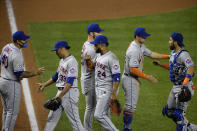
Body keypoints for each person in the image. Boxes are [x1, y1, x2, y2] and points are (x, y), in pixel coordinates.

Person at [122, 27, 169, 131]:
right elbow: (133, 69)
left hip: (131, 78)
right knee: (130, 107)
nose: (145, 38)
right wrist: (147, 77)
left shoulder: (140, 46)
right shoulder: (134, 50)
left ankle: (126, 128)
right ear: (137, 36)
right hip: (130, 79)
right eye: (143, 36)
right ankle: (126, 129)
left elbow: (152, 54)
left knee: (130, 106)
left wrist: (169, 56)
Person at [0, 30, 45, 131]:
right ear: (18, 41)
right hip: (11, 85)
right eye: (23, 39)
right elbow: (20, 74)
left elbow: (1, 61)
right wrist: (35, 73)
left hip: (2, 81)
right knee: (12, 112)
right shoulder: (17, 54)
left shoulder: (6, 47)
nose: (25, 40)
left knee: (6, 110)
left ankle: (4, 129)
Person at [153, 32, 197, 131]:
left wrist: (185, 83)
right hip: (175, 87)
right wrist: (160, 65)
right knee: (168, 111)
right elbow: (173, 69)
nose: (169, 42)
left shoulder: (184, 54)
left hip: (184, 87)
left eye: (170, 40)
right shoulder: (173, 53)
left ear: (175, 42)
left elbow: (191, 68)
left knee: (179, 116)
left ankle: (185, 127)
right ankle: (191, 128)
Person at [38, 40, 84, 131]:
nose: (56, 53)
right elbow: (56, 76)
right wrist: (44, 84)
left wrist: (59, 97)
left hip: (69, 93)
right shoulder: (62, 61)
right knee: (51, 118)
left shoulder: (72, 62)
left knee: (75, 122)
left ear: (62, 49)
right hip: (61, 93)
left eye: (56, 50)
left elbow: (69, 82)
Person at [85, 35, 120, 131]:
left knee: (98, 115)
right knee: (105, 115)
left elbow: (117, 77)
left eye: (95, 45)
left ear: (101, 45)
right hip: (99, 89)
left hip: (107, 90)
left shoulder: (112, 58)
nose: (93, 47)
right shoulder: (98, 55)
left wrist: (113, 94)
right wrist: (88, 61)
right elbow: (92, 68)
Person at [81, 24, 103, 131]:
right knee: (90, 107)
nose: (100, 33)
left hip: (89, 78)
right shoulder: (90, 49)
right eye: (98, 32)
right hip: (89, 80)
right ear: (91, 33)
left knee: (92, 107)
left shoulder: (88, 44)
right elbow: (91, 67)